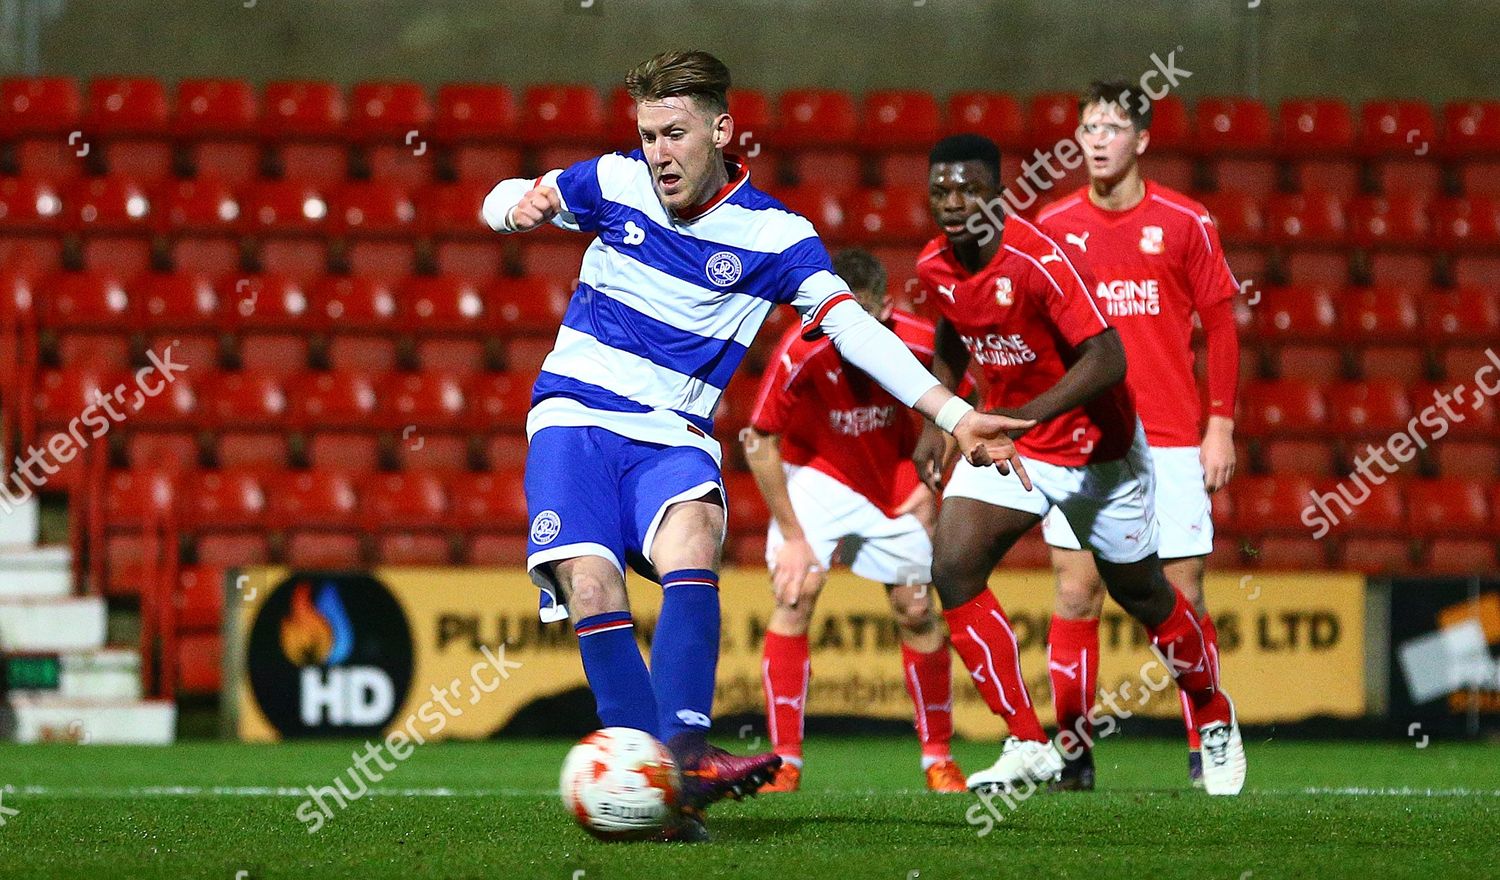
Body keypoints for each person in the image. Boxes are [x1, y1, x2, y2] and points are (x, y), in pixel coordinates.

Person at [482, 51, 1036, 839]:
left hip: (673, 432)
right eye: (647, 135)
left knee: (696, 535)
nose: (659, 153)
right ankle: (658, 785)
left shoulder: (776, 235)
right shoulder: (610, 183)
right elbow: (497, 200)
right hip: (575, 417)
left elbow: (849, 327)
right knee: (592, 585)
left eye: (675, 133)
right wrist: (520, 206)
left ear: (721, 129)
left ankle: (683, 758)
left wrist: (953, 415)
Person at [910, 133, 1246, 797]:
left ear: (996, 193)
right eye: (941, 190)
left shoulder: (1040, 258)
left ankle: (1211, 709)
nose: (953, 203)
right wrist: (937, 423)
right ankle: (1029, 742)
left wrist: (1029, 415)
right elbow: (952, 329)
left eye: (968, 189)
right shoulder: (933, 265)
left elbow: (1108, 358)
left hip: (1101, 452)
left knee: (1143, 592)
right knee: (952, 564)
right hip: (1015, 441)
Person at [1034, 80, 1242, 789]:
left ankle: (1206, 734)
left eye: (1112, 127)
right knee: (1074, 592)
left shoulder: (1186, 221)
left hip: (1175, 436)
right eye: (1087, 126)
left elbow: (1220, 322)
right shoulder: (1053, 226)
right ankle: (1073, 752)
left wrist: (1221, 423)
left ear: (1142, 140)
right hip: (1088, 440)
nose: (1096, 138)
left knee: (1183, 593)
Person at [744, 248, 972, 794]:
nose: (846, 334)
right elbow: (759, 441)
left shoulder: (918, 339)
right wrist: (795, 537)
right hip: (821, 475)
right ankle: (784, 761)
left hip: (895, 477)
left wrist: (931, 473)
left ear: (886, 309)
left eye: (860, 318)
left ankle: (938, 758)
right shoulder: (801, 346)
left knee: (916, 609)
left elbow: (965, 400)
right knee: (796, 594)